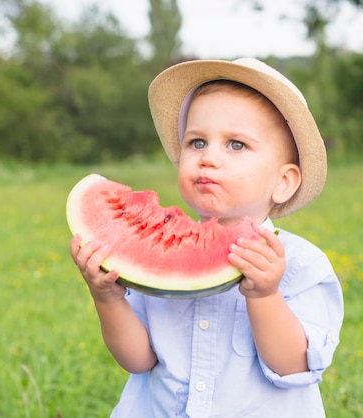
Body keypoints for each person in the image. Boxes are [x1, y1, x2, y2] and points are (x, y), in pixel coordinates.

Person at [70, 58, 344, 417]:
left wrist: (266, 295)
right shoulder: (159, 259)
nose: (209, 158)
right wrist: (107, 299)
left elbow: (294, 366)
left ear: (283, 182)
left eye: (236, 145)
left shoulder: (301, 266)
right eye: (197, 142)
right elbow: (137, 360)